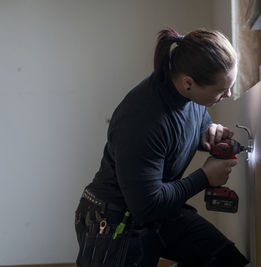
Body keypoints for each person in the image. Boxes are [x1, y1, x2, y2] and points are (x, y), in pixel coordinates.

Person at [74, 27, 249, 267]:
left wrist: (207, 133)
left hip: (158, 210)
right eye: (221, 90)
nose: (228, 94)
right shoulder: (142, 118)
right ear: (189, 82)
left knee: (225, 260)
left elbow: (191, 123)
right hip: (114, 220)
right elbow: (147, 205)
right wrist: (205, 177)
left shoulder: (188, 93)